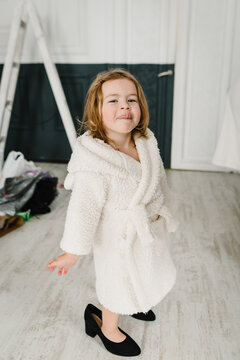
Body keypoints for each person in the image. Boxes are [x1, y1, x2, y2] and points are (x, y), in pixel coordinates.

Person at [46, 68, 180, 357]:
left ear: (140, 108)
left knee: (147, 268)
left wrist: (167, 207)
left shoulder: (145, 142)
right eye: (113, 100)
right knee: (117, 283)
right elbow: (83, 211)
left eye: (132, 100)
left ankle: (139, 299)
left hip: (146, 229)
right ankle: (105, 326)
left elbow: (158, 181)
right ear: (96, 110)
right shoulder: (93, 162)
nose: (125, 106)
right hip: (116, 238)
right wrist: (72, 252)